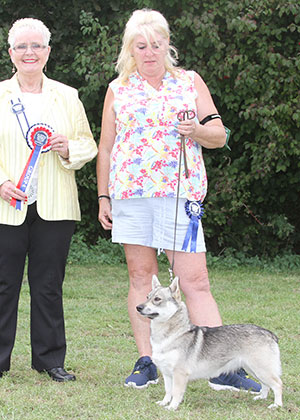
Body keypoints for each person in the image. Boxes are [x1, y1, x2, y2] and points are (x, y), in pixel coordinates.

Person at [97, 9, 260, 393]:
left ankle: (222, 367)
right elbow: (105, 148)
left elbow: (219, 136)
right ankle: (148, 362)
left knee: (195, 281)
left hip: (180, 198)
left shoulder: (189, 82)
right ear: (130, 50)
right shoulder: (118, 89)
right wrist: (103, 196)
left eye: (156, 44)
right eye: (141, 46)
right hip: (131, 195)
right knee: (140, 276)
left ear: (168, 44)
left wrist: (199, 130)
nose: (149, 52)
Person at [0, 18, 97, 382]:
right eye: (22, 46)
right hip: (7, 205)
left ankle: (49, 360)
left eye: (37, 46)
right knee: (3, 284)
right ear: (11, 54)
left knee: (48, 285)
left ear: (48, 52)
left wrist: (69, 147)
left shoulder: (67, 95)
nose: (30, 52)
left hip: (55, 206)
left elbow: (89, 143)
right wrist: (2, 183)